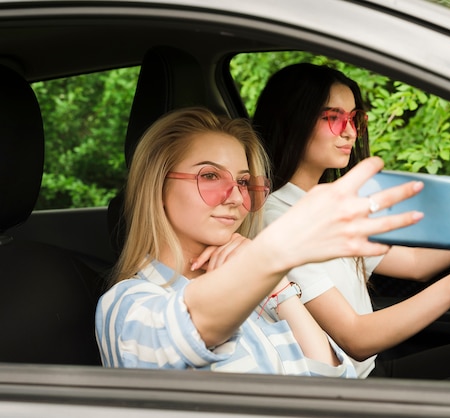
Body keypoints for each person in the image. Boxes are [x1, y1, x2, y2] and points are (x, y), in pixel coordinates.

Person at [246, 63, 450, 384]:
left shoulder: (328, 202)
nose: (348, 131)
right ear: (294, 120)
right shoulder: (279, 221)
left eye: (354, 118)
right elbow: (355, 338)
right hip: (347, 388)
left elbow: (416, 263)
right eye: (333, 118)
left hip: (372, 367)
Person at [95, 106, 425, 377]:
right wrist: (277, 252)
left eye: (243, 181)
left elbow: (338, 387)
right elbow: (185, 329)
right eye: (210, 176)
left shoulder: (258, 297)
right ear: (158, 186)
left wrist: (280, 289)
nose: (236, 197)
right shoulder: (127, 305)